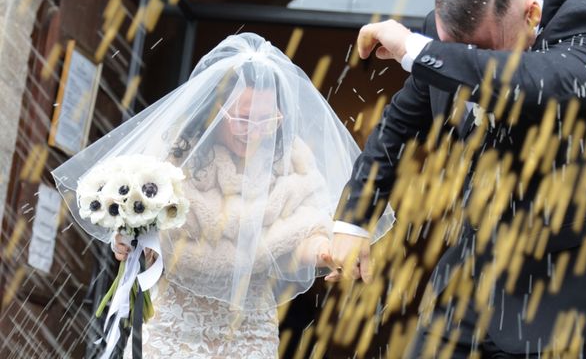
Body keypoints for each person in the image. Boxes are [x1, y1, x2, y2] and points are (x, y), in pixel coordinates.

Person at [327, 0, 586, 358]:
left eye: (481, 48)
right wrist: (354, 221)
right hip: (465, 286)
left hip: (558, 301)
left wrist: (421, 50)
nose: (456, 59)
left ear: (531, 16)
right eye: (450, 46)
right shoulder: (441, 34)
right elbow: (398, 125)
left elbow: (538, 83)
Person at [53, 33, 394, 358]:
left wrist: (326, 251)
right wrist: (128, 239)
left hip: (247, 331)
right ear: (217, 110)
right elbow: (140, 226)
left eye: (267, 119)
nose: (255, 132)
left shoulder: (292, 161)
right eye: (243, 119)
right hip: (173, 324)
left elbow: (298, 235)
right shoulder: (175, 153)